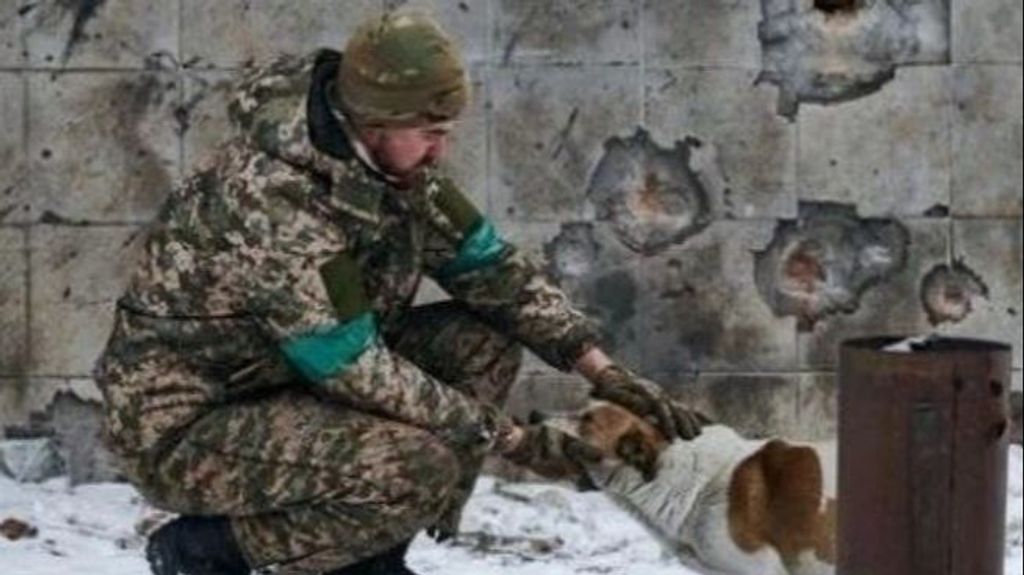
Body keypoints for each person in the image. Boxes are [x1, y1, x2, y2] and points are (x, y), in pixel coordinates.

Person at [94, 10, 705, 575]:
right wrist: (513, 440)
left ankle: (370, 559)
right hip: (190, 426)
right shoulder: (272, 200)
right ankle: (203, 552)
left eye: (445, 130)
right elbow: (352, 366)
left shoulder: (392, 165)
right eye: (429, 131)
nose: (441, 149)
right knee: (417, 465)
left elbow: (493, 270)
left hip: (288, 379)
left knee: (483, 341)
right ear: (374, 120)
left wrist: (603, 369)